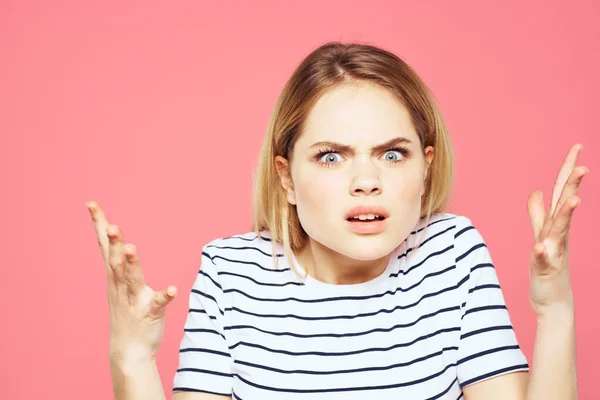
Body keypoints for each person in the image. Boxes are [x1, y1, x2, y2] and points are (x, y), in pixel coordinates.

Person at [86, 42, 586, 399]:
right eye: (331, 157)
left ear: (426, 167)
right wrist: (132, 355)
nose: (366, 181)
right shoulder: (231, 272)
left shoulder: (451, 253)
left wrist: (554, 309)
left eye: (392, 154)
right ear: (286, 177)